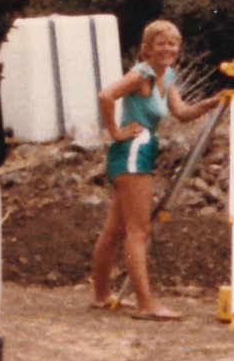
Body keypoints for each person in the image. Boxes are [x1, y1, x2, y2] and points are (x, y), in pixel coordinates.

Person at [90, 19, 220, 320]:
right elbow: (106, 95)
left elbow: (183, 113)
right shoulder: (143, 73)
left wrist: (214, 102)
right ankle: (146, 304)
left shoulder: (167, 75)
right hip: (132, 150)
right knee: (139, 230)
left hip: (140, 151)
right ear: (146, 48)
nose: (168, 48)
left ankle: (101, 296)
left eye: (172, 43)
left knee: (116, 230)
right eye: (161, 43)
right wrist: (115, 131)